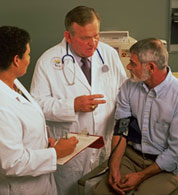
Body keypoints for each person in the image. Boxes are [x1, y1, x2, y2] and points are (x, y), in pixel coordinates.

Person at [0, 26, 78, 195]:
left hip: (38, 184)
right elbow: (12, 163)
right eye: (27, 54)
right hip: (16, 189)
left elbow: (21, 122)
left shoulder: (2, 78)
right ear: (16, 60)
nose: (29, 58)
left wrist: (44, 140)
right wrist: (55, 153)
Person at [30, 5, 127, 195]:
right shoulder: (48, 61)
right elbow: (37, 105)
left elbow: (124, 94)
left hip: (104, 146)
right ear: (68, 36)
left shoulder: (109, 54)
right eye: (85, 38)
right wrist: (72, 106)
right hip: (70, 152)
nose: (93, 43)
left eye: (96, 36)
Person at [93, 38, 178, 195]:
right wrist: (114, 166)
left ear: (151, 67)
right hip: (131, 157)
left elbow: (176, 153)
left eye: (133, 63)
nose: (128, 67)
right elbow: (121, 130)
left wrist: (140, 176)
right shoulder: (129, 87)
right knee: (101, 193)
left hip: (165, 166)